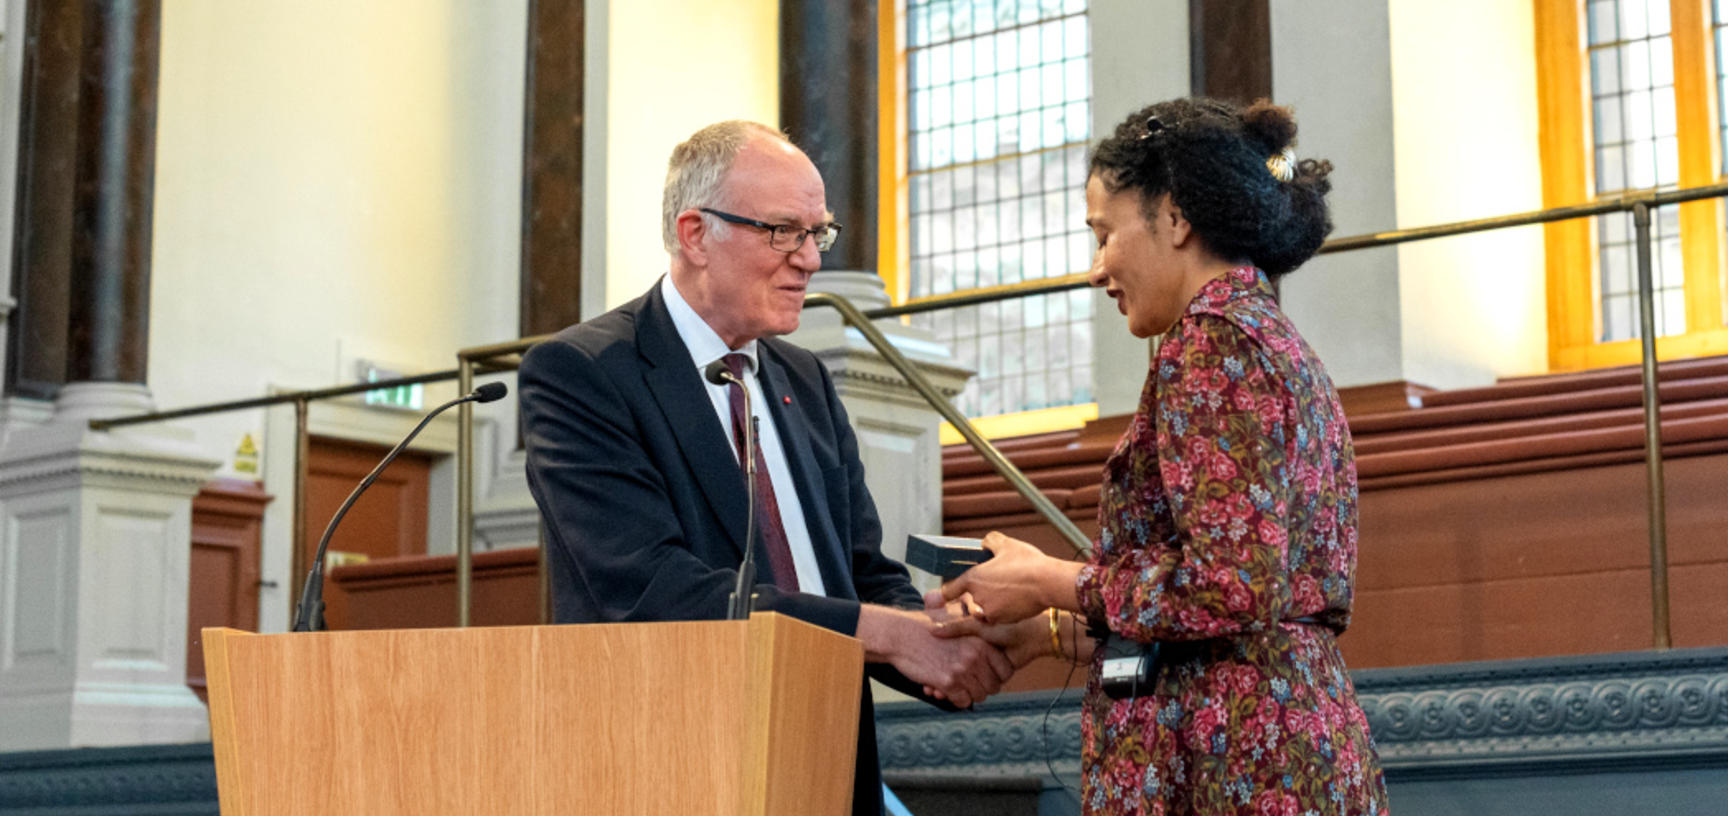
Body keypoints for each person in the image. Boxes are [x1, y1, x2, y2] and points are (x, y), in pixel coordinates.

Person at [518, 120, 1012, 816]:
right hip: (675, 761)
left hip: (829, 755)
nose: (809, 259)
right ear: (695, 234)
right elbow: (655, 590)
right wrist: (892, 635)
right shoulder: (583, 373)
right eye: (783, 231)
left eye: (818, 233)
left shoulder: (802, 378)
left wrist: (944, 643)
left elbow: (863, 570)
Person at [932, 98, 1391, 814]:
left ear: (1175, 218)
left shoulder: (1211, 343)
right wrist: (1049, 629)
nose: (1095, 270)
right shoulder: (1266, 335)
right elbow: (1227, 611)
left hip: (1230, 760)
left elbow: (1231, 587)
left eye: (1104, 234)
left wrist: (1050, 580)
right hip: (1275, 741)